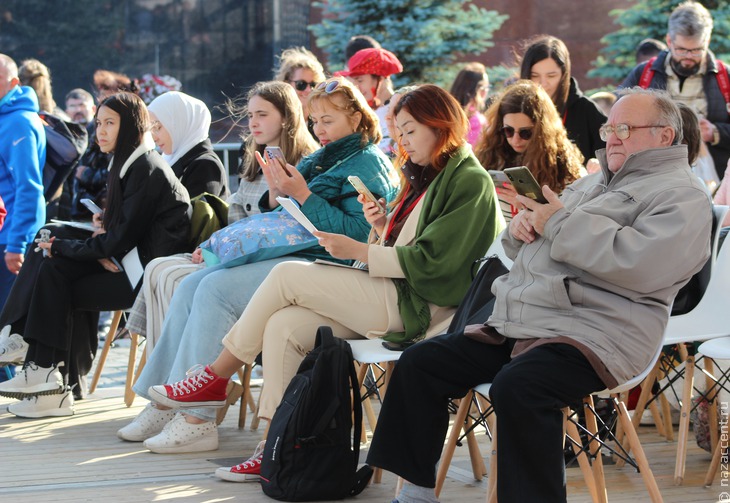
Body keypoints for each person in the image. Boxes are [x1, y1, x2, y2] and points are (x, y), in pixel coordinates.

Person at [364, 88, 713, 503]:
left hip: (600, 334)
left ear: (665, 136)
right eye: (609, 127)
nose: (612, 138)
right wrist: (521, 230)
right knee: (421, 362)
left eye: (625, 128)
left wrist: (558, 224)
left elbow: (643, 264)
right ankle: (416, 494)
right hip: (530, 321)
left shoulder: (683, 196)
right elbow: (537, 240)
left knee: (520, 386)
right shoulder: (593, 182)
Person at [149, 84, 505, 483]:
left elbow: (436, 263)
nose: (402, 141)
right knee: (283, 325)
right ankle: (274, 448)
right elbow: (411, 247)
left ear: (440, 126)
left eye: (409, 130)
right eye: (399, 132)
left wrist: (362, 247)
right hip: (396, 294)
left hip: (421, 308)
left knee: (285, 274)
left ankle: (215, 378)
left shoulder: (468, 179)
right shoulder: (427, 173)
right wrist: (379, 227)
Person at [116, 77, 395, 454]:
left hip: (327, 268)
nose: (319, 129)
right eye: (315, 121)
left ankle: (198, 419)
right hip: (299, 258)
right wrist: (281, 195)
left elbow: (361, 237)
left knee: (215, 290)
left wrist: (302, 195)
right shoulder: (325, 156)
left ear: (358, 117)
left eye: (328, 120)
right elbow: (296, 219)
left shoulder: (369, 163)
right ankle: (166, 402)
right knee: (192, 285)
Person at [0, 92, 191, 418]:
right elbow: (118, 235)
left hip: (144, 278)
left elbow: (117, 242)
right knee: (49, 242)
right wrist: (98, 240)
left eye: (109, 123)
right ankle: (40, 370)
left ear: (130, 125)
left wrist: (72, 248)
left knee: (54, 264)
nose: (99, 130)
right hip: (127, 265)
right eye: (98, 122)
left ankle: (44, 374)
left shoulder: (146, 167)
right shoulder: (129, 164)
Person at [124, 81, 319, 351]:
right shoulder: (256, 159)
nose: (253, 123)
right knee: (159, 268)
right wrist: (213, 245)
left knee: (173, 277)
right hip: (238, 249)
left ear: (286, 117)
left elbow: (289, 225)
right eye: (250, 115)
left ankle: (194, 368)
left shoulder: (306, 162)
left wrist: (274, 197)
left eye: (262, 115)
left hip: (270, 259)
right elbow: (236, 212)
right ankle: (167, 365)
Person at [620, 1, 729, 180]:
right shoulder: (644, 74)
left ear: (707, 41)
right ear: (669, 40)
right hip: (652, 176)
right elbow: (618, 124)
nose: (688, 58)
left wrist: (715, 132)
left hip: (715, 178)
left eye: (696, 50)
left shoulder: (725, 77)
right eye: (681, 50)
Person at [475, 80, 584, 223]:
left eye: (525, 133)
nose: (515, 140)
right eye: (508, 130)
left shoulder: (564, 167)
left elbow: (573, 224)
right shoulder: (492, 155)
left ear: (543, 132)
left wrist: (528, 206)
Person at [0, 54, 46, 309]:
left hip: (10, 238)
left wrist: (17, 243)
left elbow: (28, 187)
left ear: (14, 82)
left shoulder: (19, 122)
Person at [520, 35, 606, 164]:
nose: (543, 83)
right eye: (535, 75)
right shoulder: (516, 108)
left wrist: (598, 163)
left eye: (551, 75)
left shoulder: (586, 110)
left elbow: (609, 154)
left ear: (564, 75)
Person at [147, 91, 229, 199]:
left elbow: (195, 213)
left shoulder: (205, 165)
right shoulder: (170, 160)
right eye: (151, 130)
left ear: (179, 122)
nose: (154, 138)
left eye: (158, 128)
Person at [337, 47, 403, 154]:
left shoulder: (401, 109)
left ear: (380, 78)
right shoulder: (360, 115)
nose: (356, 87)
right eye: (353, 82)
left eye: (360, 80)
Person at [273, 47, 326, 121]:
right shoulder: (275, 119)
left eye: (313, 85)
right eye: (301, 84)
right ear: (286, 84)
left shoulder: (324, 121)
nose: (309, 90)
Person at [449, 62, 490, 146]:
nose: (487, 91)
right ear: (479, 90)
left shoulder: (447, 112)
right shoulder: (477, 121)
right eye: (486, 87)